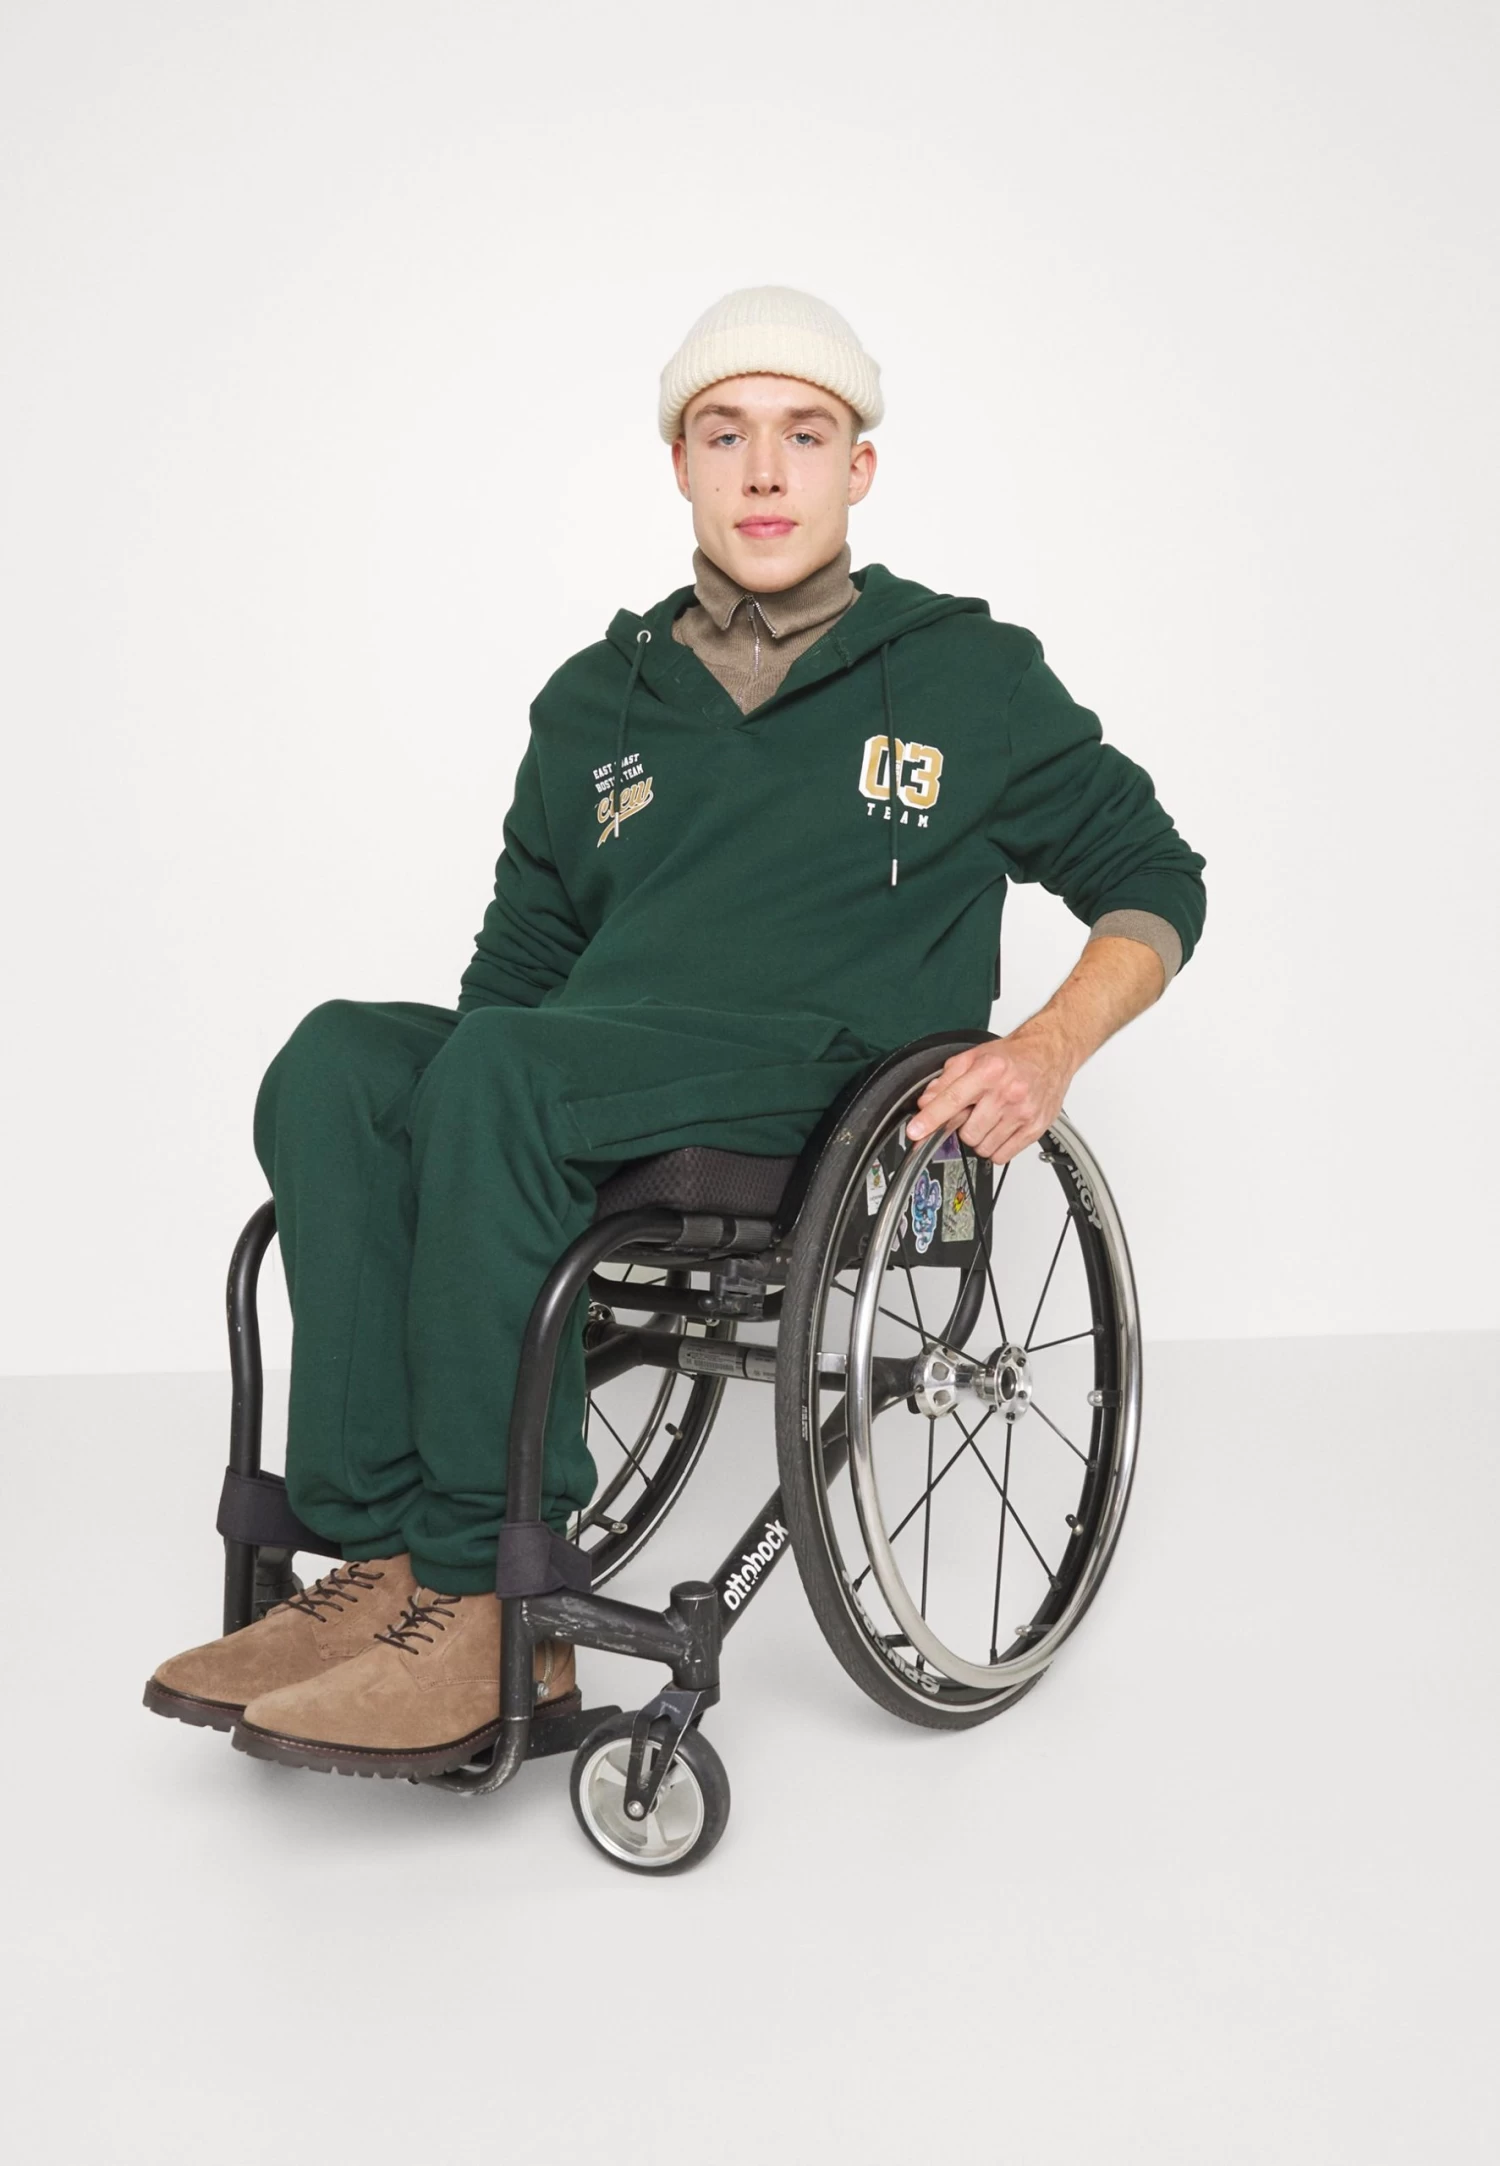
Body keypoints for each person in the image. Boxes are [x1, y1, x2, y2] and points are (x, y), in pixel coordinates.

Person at [145, 284, 1206, 1777]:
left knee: (501, 1073)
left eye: (804, 434)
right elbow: (516, 976)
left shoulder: (969, 674)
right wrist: (448, 1142)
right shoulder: (598, 700)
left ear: (859, 468)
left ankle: (496, 1596)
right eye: (726, 434)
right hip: (594, 1059)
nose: (765, 470)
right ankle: (384, 1561)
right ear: (680, 466)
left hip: (825, 1078)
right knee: (339, 1060)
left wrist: (1047, 1047)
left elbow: (1155, 876)